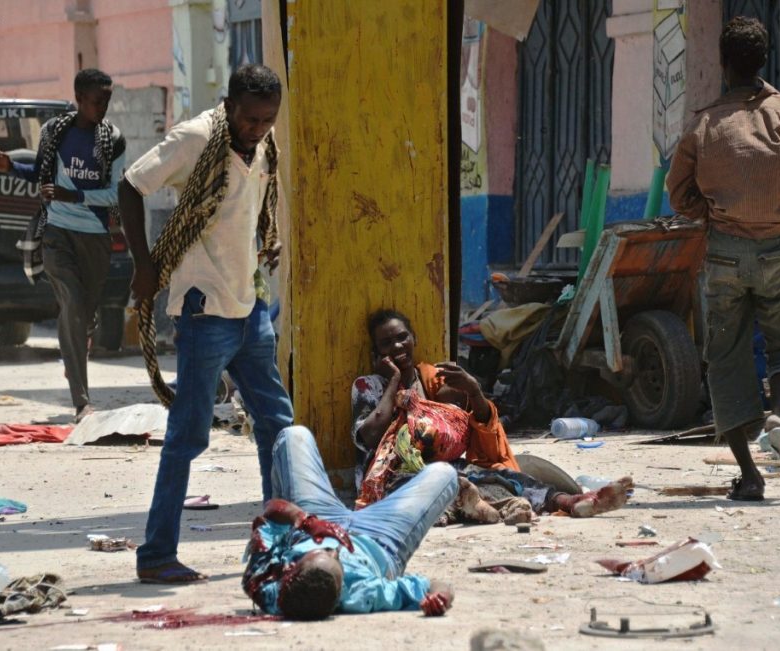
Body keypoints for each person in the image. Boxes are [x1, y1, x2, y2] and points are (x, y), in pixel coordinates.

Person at [119, 64, 294, 584]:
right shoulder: (197, 137)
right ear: (228, 105)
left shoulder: (264, 146)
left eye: (267, 120)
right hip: (203, 310)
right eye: (249, 118)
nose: (257, 129)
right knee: (188, 435)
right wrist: (144, 265)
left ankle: (279, 539)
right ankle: (155, 555)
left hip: (249, 308)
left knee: (277, 426)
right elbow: (131, 186)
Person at [667, 16, 780, 501]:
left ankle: (750, 477)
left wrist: (714, 214)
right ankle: (779, 416)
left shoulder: (702, 124)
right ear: (763, 60)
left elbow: (679, 195)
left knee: (725, 362)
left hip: (725, 258)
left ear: (722, 64)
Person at [352, 309, 632, 524]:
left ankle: (571, 502)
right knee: (420, 493)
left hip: (445, 467)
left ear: (414, 338)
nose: (398, 346)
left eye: (402, 337)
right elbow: (370, 435)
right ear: (378, 353)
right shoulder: (368, 386)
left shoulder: (432, 382)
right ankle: (482, 503)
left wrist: (474, 390)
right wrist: (394, 381)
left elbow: (481, 425)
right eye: (387, 343)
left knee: (506, 478)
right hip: (392, 476)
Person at [0, 68, 126, 424]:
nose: (103, 107)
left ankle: (73, 354)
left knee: (84, 316)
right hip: (56, 232)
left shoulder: (113, 140)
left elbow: (114, 195)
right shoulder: (55, 133)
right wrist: (11, 167)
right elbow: (41, 173)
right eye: (97, 101)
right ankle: (82, 401)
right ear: (79, 99)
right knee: (74, 305)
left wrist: (73, 194)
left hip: (95, 238)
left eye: (108, 100)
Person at [243, 426, 456, 620]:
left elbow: (272, 510)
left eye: (324, 551)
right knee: (444, 473)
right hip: (381, 538)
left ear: (291, 567)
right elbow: (435, 586)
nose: (336, 549)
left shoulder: (266, 585)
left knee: (294, 435)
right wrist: (440, 598)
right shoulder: (364, 593)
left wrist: (303, 520)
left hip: (316, 517)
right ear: (343, 588)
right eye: (336, 559)